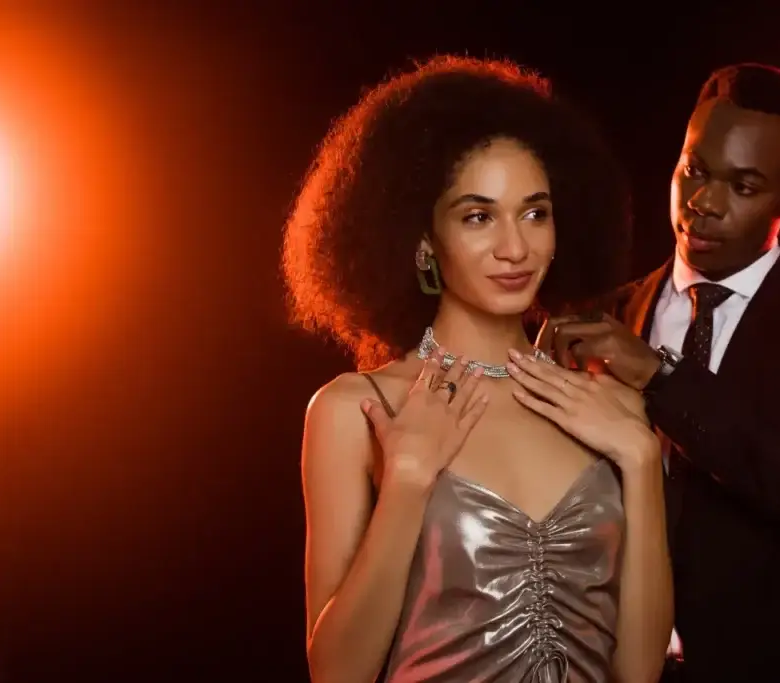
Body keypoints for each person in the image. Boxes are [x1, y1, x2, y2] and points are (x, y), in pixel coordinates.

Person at [285, 56, 673, 683]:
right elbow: (336, 674)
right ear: (422, 240)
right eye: (477, 216)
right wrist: (408, 478)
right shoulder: (357, 409)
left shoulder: (613, 410)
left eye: (534, 212)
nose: (515, 248)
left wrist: (641, 460)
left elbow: (638, 672)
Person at [537, 63, 780, 683]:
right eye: (695, 170)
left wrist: (660, 380)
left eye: (744, 186)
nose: (704, 203)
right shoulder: (594, 318)